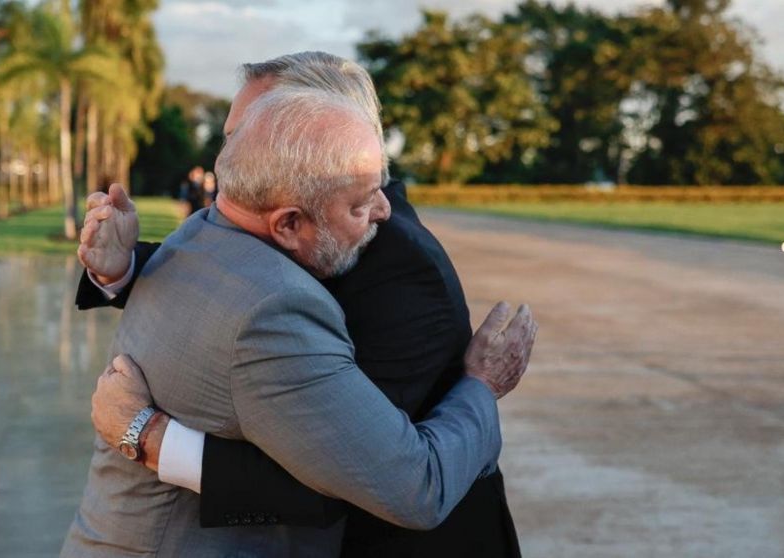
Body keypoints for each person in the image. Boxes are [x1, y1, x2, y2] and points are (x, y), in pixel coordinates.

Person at [72, 52, 530, 557]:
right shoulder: (237, 231)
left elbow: (360, 472)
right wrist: (119, 271)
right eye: (235, 136)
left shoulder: (400, 271)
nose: (238, 155)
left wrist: (151, 439)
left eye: (251, 131)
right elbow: (215, 288)